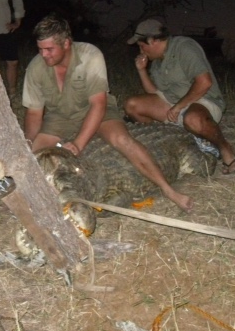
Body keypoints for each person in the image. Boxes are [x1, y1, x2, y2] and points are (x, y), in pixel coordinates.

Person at [23, 14, 193, 212]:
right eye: (40, 49)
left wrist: (78, 143)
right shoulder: (35, 67)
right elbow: (34, 115)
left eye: (49, 49)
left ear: (67, 43)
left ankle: (168, 189)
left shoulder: (90, 56)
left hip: (97, 111)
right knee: (35, 156)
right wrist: (27, 145)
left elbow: (98, 105)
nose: (43, 55)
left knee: (122, 140)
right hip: (60, 116)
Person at [123, 19, 235, 174]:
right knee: (132, 105)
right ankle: (170, 141)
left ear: (152, 41)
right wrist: (141, 70)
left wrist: (179, 106)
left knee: (192, 119)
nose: (141, 50)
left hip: (203, 101)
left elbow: (204, 83)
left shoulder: (184, 47)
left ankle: (225, 149)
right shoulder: (157, 61)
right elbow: (153, 94)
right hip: (173, 104)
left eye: (141, 45)